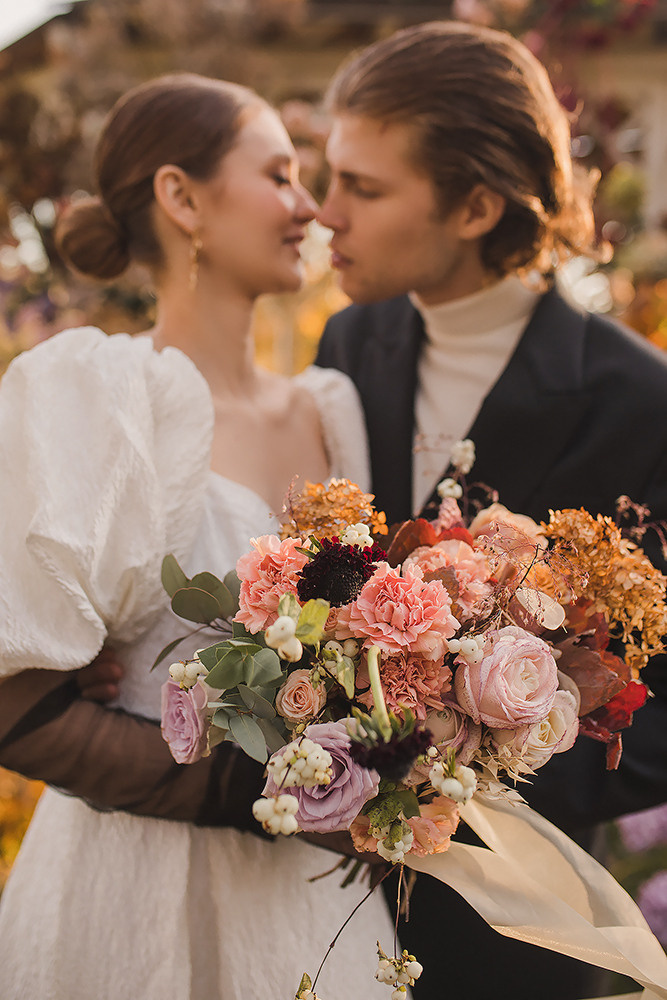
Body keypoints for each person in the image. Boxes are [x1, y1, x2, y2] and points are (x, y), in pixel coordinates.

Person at [0, 73, 395, 1000]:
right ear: (182, 198)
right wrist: (254, 792)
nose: (310, 208)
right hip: (134, 883)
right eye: (279, 174)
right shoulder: (100, 394)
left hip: (311, 905)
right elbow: (14, 696)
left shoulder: (333, 411)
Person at [313, 20, 667, 1000]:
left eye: (364, 189)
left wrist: (482, 775)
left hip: (514, 935)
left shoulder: (639, 402)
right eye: (325, 175)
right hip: (313, 906)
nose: (321, 211)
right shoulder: (349, 341)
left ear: (473, 204)